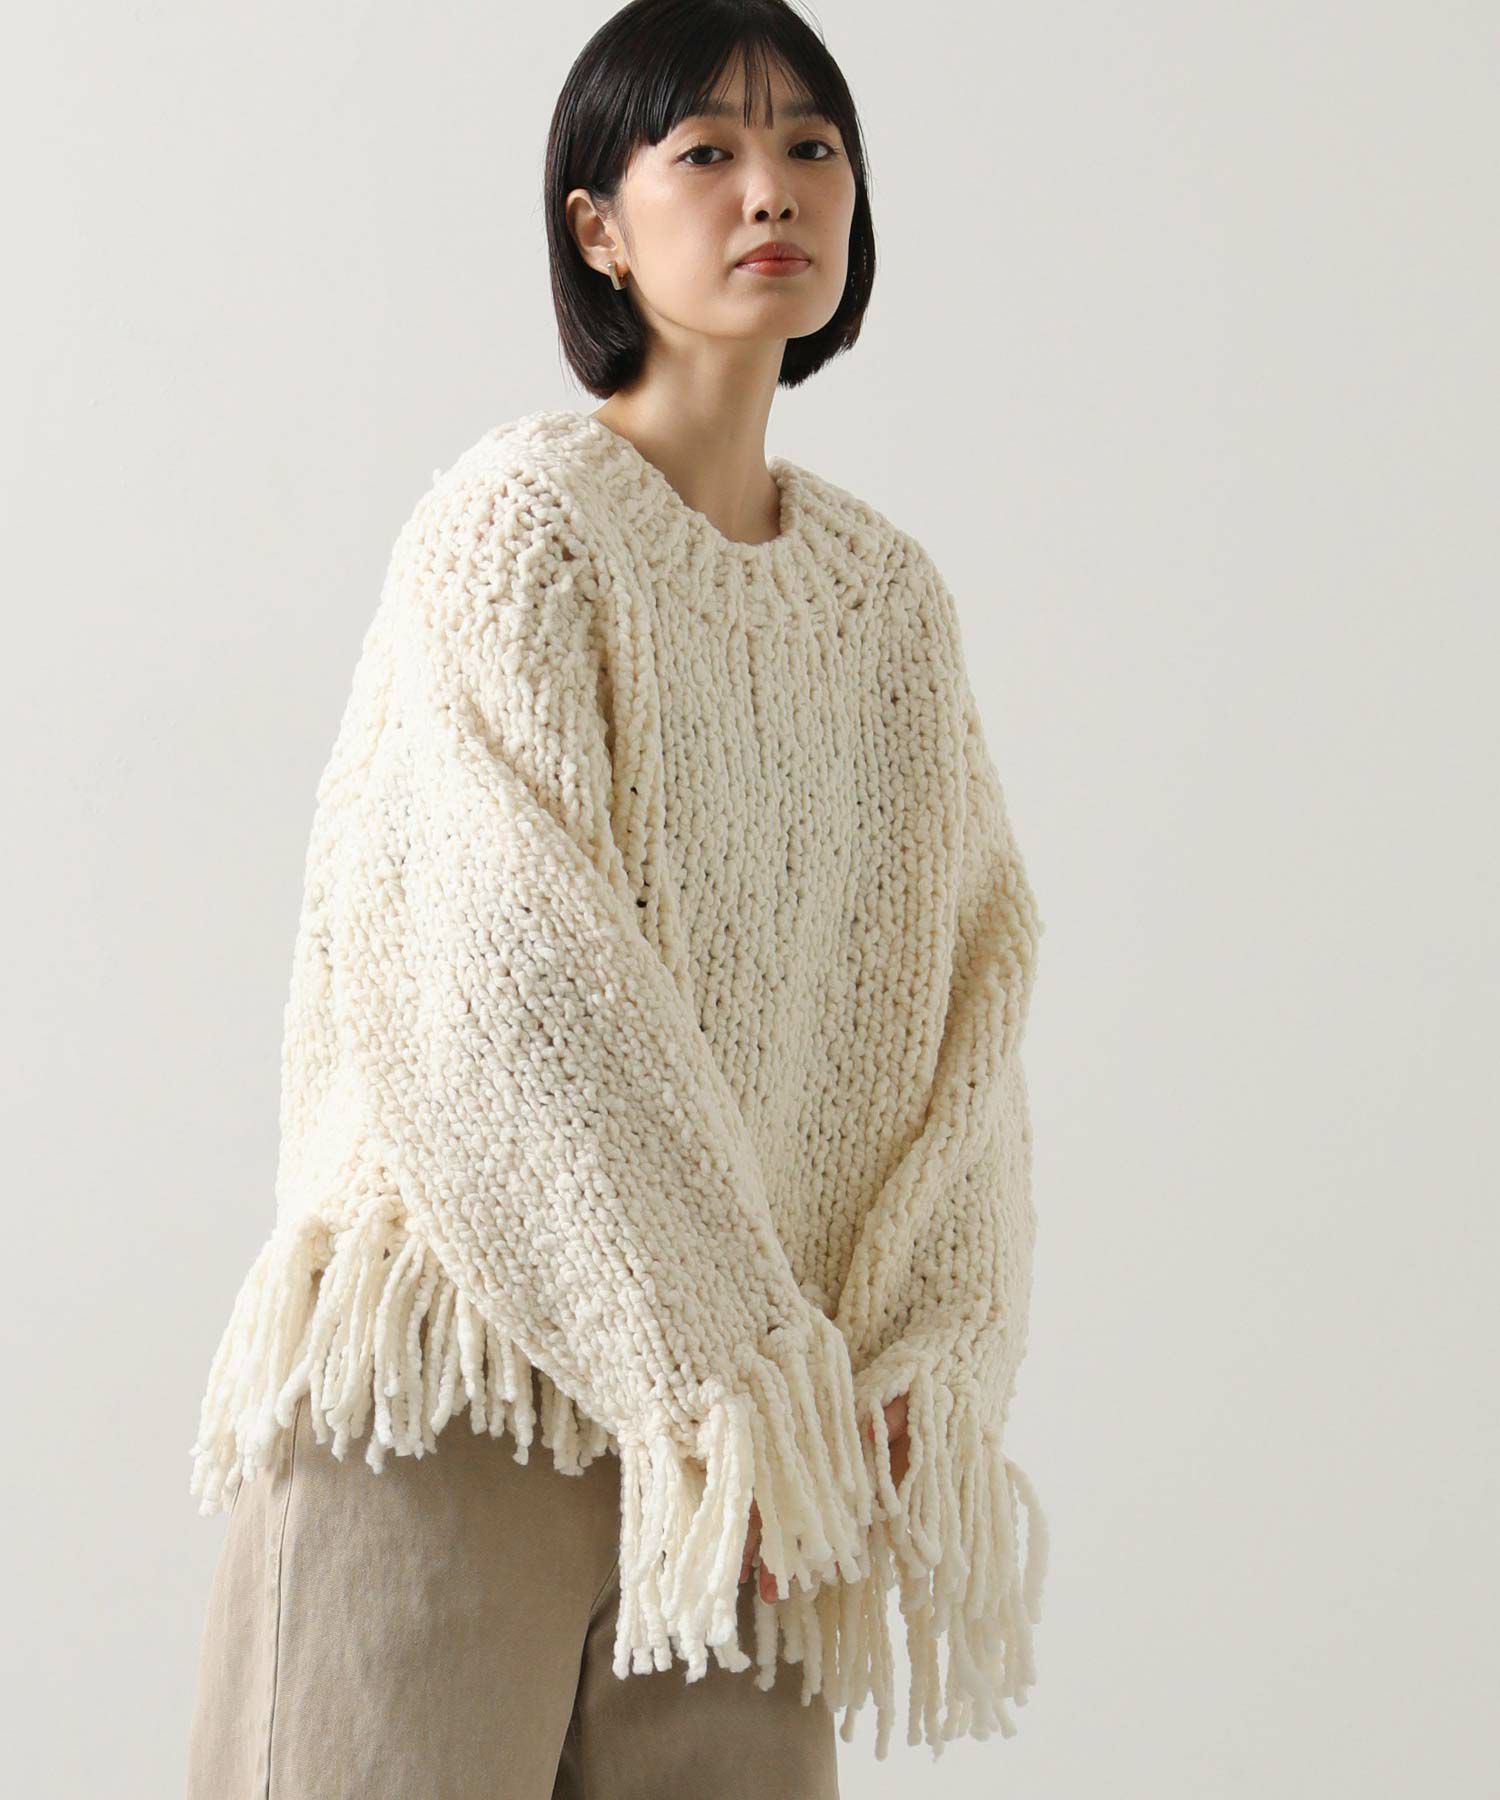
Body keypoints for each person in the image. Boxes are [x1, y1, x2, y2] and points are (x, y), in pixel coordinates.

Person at [184, 2, 1048, 1794]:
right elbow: (510, 982)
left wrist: (924, 1351)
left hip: (747, 1473)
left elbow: (965, 1003)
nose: (770, 191)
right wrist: (730, 1373)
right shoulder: (520, 530)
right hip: (468, 1403)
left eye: (810, 146)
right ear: (598, 226)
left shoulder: (891, 609)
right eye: (706, 152)